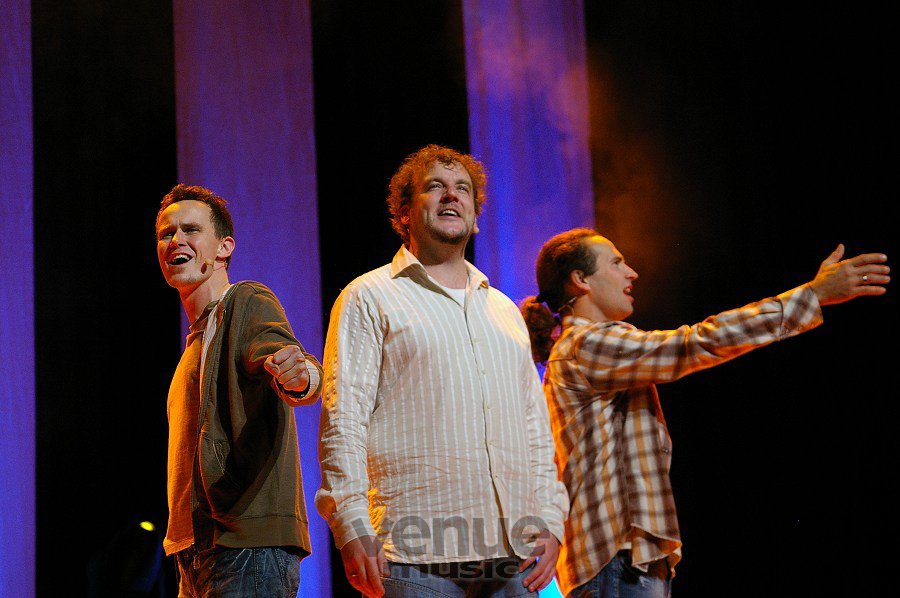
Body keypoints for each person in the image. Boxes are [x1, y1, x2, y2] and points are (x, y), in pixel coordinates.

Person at [519, 228, 889, 597]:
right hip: (617, 562)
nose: (631, 272)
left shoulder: (585, 346)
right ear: (580, 279)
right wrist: (811, 296)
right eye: (616, 263)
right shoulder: (587, 344)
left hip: (626, 561)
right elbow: (697, 341)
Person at [316, 145, 568, 597]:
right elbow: (343, 417)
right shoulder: (369, 296)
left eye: (463, 189)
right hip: (414, 554)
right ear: (404, 213)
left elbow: (535, 428)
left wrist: (551, 518)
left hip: (514, 554)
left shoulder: (504, 310)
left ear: (475, 216)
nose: (452, 195)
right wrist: (351, 523)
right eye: (435, 187)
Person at [155, 184, 322, 597]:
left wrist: (300, 376)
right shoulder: (195, 345)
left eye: (191, 230)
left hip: (245, 546)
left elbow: (294, 363)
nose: (176, 240)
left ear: (224, 248)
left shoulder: (245, 301)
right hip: (196, 549)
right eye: (166, 233)